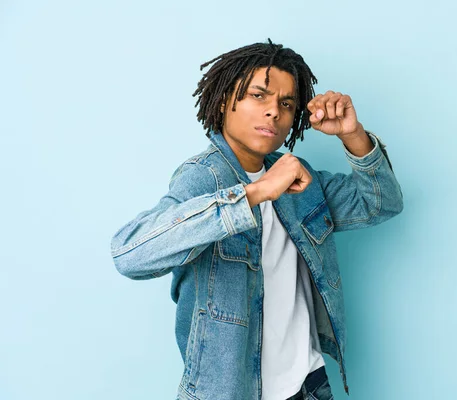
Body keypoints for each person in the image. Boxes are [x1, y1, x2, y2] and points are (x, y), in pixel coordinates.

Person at [110, 39, 404, 400]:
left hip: (308, 384)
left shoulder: (298, 176)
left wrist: (353, 136)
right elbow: (129, 255)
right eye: (258, 96)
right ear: (223, 102)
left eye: (285, 103)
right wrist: (254, 193)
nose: (273, 112)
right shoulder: (203, 179)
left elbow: (382, 204)